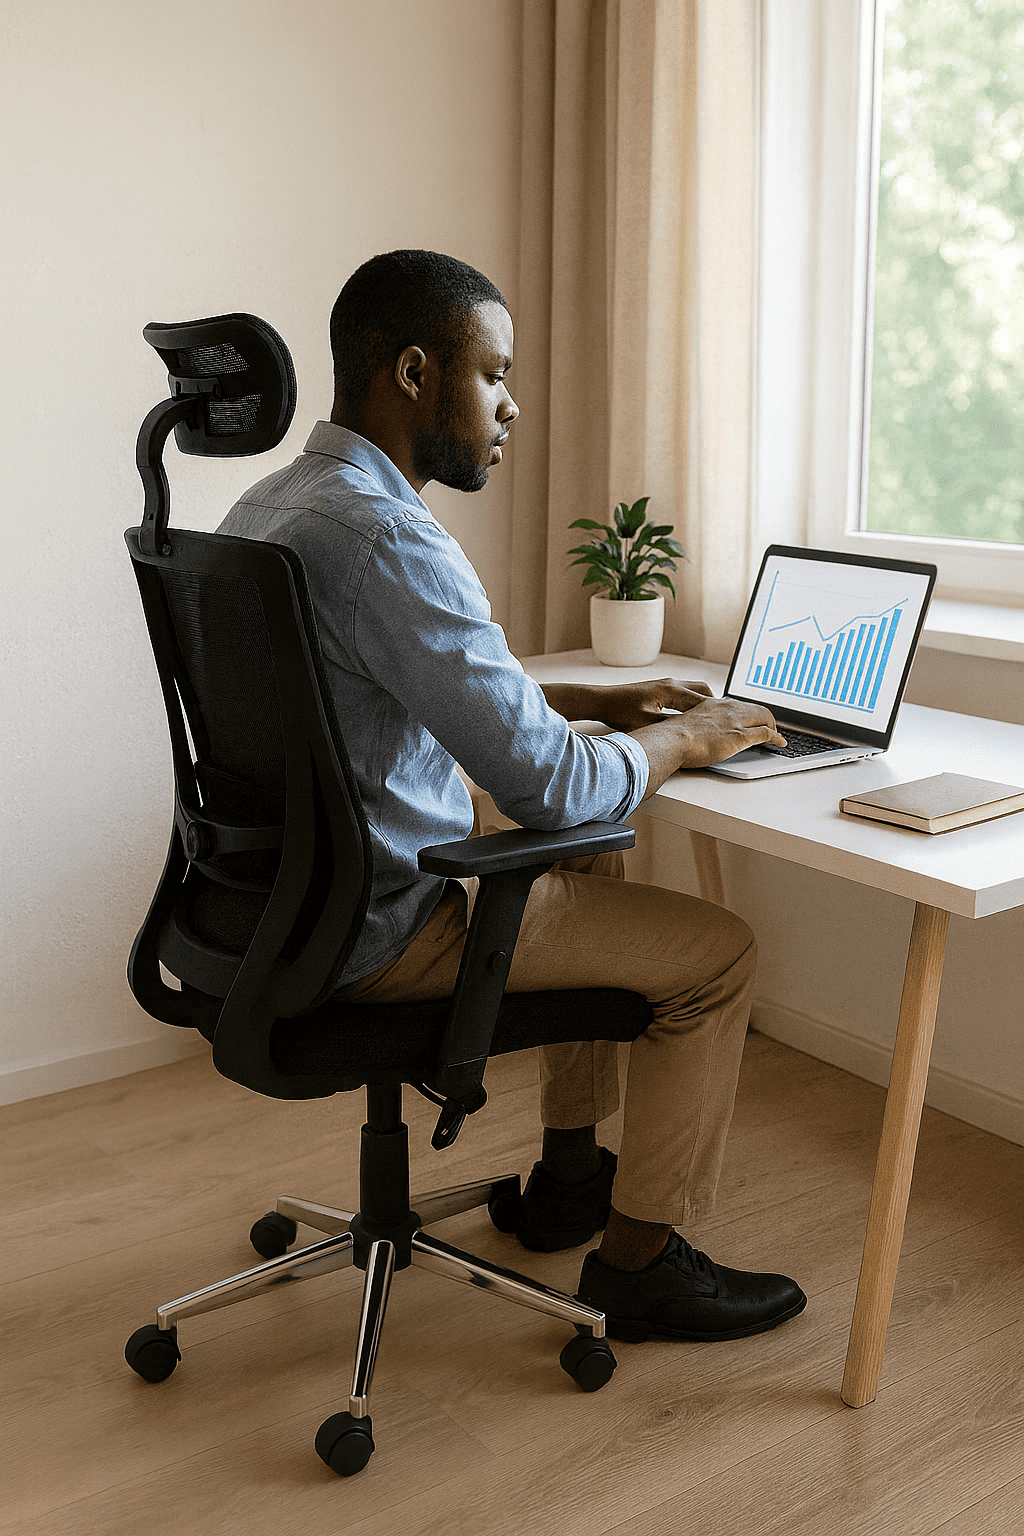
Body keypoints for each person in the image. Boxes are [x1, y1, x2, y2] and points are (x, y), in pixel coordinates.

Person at [218, 249, 806, 1344]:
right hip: (384, 929)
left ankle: (573, 1178)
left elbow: (396, 683)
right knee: (715, 956)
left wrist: (597, 694)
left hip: (280, 910)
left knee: (581, 853)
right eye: (493, 374)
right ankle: (640, 1265)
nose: (512, 404)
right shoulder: (392, 538)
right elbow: (557, 784)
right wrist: (690, 732)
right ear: (411, 372)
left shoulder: (277, 503)